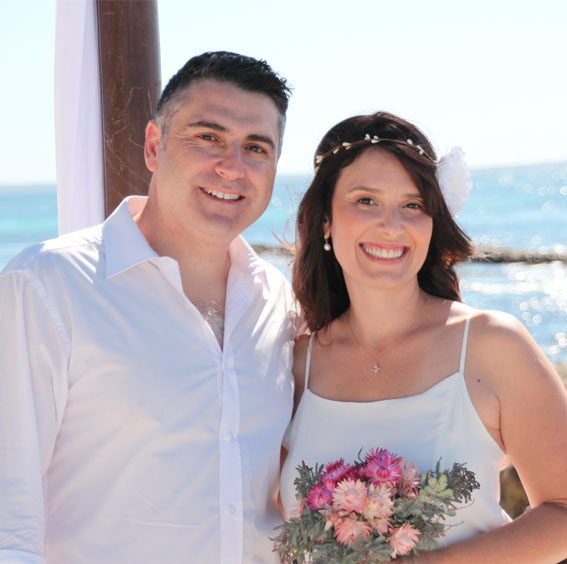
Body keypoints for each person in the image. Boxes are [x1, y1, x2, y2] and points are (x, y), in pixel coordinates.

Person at [0, 51, 298, 564]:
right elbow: (9, 521)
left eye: (256, 147)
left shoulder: (283, 305)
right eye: (208, 137)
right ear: (154, 146)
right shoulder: (46, 287)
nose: (232, 167)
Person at [280, 112, 567, 562]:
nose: (392, 227)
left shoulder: (493, 346)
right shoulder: (296, 364)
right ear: (326, 222)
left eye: (412, 205)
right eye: (366, 201)